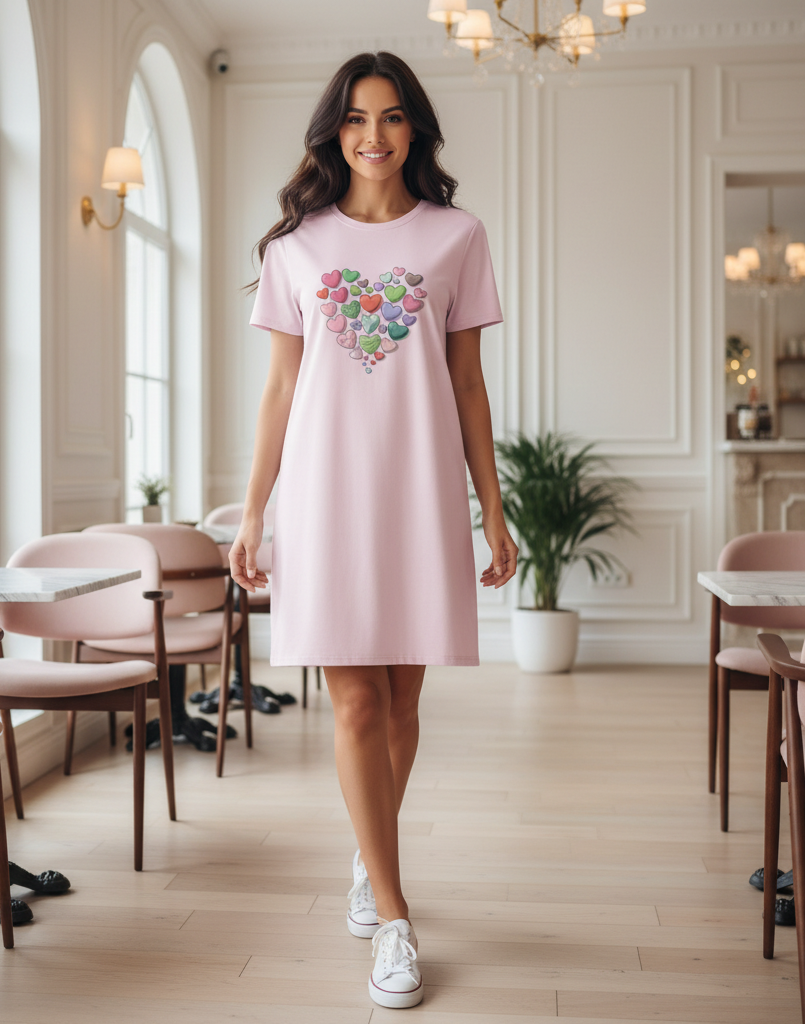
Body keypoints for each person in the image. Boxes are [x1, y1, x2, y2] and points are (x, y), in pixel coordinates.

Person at [230, 51, 517, 1010]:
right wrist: (255, 508)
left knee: (401, 702)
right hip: (322, 497)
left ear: (416, 129)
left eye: (393, 118)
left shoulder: (457, 237)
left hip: (423, 493)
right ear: (333, 132)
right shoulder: (295, 248)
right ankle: (393, 917)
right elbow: (278, 391)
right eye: (356, 119)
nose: (375, 137)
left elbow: (469, 386)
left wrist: (496, 511)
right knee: (354, 702)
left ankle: (368, 855)